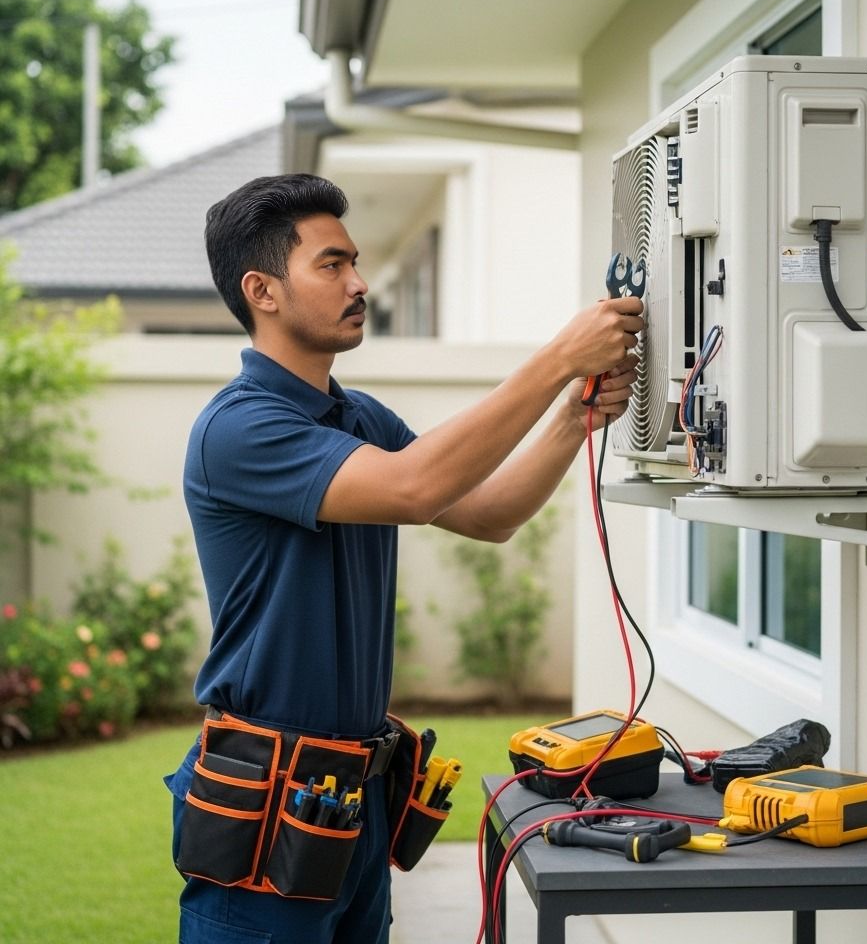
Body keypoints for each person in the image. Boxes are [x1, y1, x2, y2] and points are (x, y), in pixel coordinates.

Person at [165, 173, 643, 944]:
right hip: (264, 813)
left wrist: (572, 419)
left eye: (355, 261)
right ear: (264, 291)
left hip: (354, 800)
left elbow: (487, 514)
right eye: (331, 265)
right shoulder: (239, 429)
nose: (359, 283)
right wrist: (558, 357)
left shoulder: (355, 417)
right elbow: (417, 488)